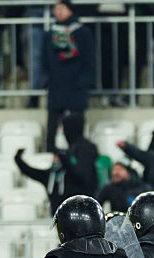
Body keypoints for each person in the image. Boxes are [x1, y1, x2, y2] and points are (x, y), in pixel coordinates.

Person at [14, 113, 99, 214]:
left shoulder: (84, 149)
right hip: (61, 220)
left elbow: (83, 179)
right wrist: (18, 160)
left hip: (80, 215)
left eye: (63, 127)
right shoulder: (51, 176)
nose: (62, 131)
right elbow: (32, 172)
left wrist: (64, 158)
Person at [42, 0, 94, 152]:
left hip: (76, 84)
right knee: (52, 120)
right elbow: (44, 59)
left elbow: (89, 59)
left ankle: (77, 149)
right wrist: (47, 78)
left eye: (62, 8)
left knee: (76, 120)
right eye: (56, 8)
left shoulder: (82, 32)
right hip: (57, 83)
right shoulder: (50, 34)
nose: (58, 12)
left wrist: (83, 81)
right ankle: (50, 149)